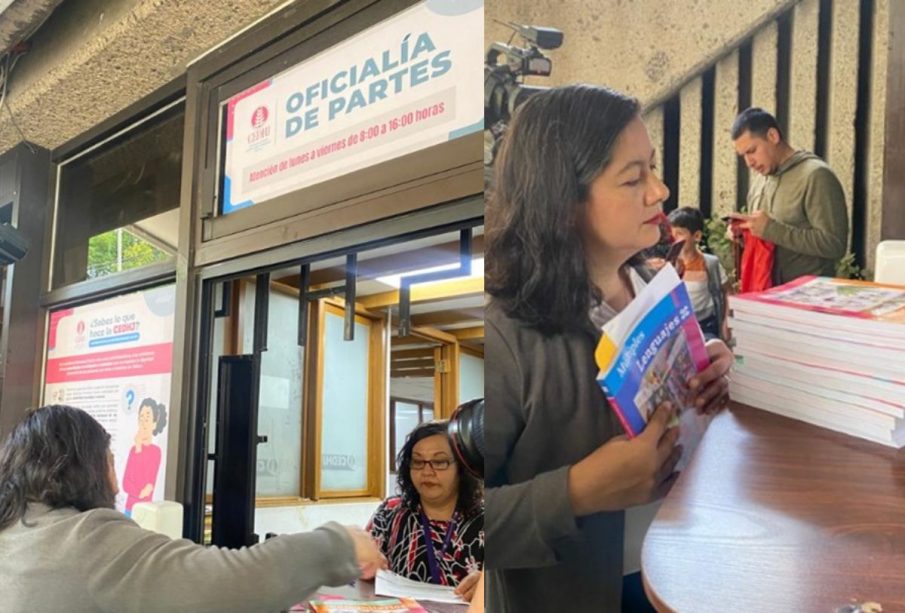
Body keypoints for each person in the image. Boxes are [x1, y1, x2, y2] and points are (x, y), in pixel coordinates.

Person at [484, 84, 732, 612]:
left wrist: (705, 364)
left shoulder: (647, 281)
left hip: (676, 567)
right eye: (633, 177)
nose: (660, 191)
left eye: (654, 168)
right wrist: (577, 491)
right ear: (565, 200)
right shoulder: (504, 334)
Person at [0, 404, 386, 613]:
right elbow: (236, 583)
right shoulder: (83, 539)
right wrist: (341, 544)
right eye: (110, 460)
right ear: (87, 468)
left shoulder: (16, 530)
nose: (115, 477)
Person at [728, 107, 848, 284]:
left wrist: (772, 230)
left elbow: (835, 244)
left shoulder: (815, 175)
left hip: (807, 298)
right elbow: (766, 242)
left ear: (772, 136)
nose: (748, 163)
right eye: (743, 156)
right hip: (766, 294)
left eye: (752, 151)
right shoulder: (759, 182)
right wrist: (744, 235)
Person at [367, 420, 483, 601]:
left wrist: (493, 583)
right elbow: (361, 569)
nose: (427, 471)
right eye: (418, 462)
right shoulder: (390, 512)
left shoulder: (491, 519)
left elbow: (525, 583)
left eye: (439, 462)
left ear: (462, 467)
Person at [668, 206, 731, 341]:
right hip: (677, 329)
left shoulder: (710, 264)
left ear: (696, 236)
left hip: (705, 326)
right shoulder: (667, 265)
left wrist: (727, 321)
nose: (674, 239)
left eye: (679, 234)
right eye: (671, 234)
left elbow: (728, 292)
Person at [122, 397, 167, 516]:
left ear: (154, 423)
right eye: (141, 418)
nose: (143, 422)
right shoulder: (133, 450)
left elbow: (147, 486)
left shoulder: (156, 452)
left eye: (147, 418)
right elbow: (126, 483)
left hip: (145, 511)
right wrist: (138, 448)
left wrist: (136, 491)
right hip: (128, 509)